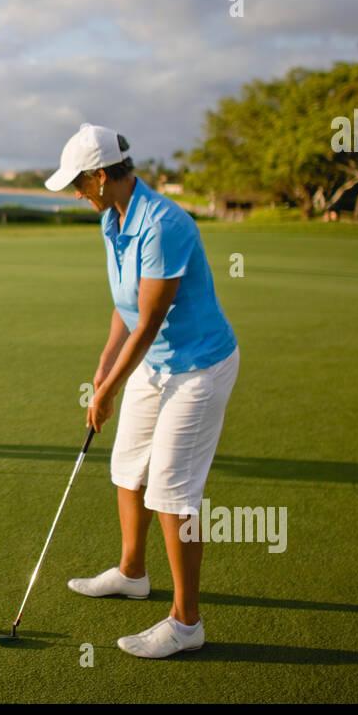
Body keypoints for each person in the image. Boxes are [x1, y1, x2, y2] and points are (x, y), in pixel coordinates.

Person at [44, 123, 240, 659]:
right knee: (128, 468)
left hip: (198, 366)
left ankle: (186, 622)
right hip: (152, 363)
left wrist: (108, 389)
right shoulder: (112, 217)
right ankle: (132, 571)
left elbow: (150, 319)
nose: (75, 194)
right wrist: (104, 365)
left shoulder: (163, 224)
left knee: (172, 491)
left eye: (78, 184)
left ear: (102, 175)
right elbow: (124, 304)